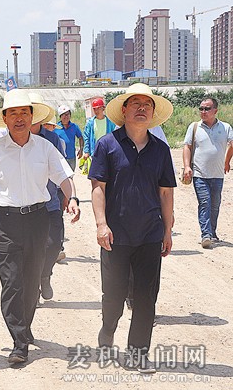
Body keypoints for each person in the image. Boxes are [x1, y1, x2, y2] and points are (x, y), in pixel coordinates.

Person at [0, 89, 80, 364]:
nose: (19, 118)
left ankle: (24, 327)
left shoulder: (44, 147)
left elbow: (64, 176)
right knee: (12, 282)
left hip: (37, 220)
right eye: (13, 114)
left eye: (24, 113)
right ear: (4, 119)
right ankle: (19, 341)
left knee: (30, 283)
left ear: (32, 117)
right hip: (4, 222)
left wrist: (72, 197)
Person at [90, 83, 176, 374]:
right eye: (135, 103)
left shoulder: (161, 150)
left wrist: (167, 230)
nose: (142, 108)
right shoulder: (107, 145)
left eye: (147, 105)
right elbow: (98, 188)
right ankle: (107, 330)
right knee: (113, 297)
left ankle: (138, 354)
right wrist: (101, 224)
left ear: (152, 113)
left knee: (145, 298)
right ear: (124, 110)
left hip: (150, 234)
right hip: (116, 236)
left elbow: (166, 193)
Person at [28, 93, 75, 301]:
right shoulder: (12, 139)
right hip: (26, 205)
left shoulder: (52, 139)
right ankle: (32, 288)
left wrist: (69, 196)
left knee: (55, 243)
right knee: (31, 248)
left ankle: (45, 274)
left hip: (51, 201)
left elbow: (62, 170)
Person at [182, 97, 233, 249]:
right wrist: (186, 166)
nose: (203, 111)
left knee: (215, 205)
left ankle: (212, 232)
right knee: (205, 203)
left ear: (215, 111)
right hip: (199, 174)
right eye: (201, 108)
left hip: (218, 174)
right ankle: (206, 234)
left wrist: (226, 161)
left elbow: (232, 144)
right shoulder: (195, 127)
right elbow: (187, 147)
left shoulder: (225, 127)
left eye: (207, 109)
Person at [54, 105, 83, 170]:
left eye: (68, 114)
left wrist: (81, 149)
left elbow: (80, 137)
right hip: (60, 158)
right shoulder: (55, 128)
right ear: (60, 116)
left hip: (71, 157)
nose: (66, 116)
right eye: (64, 115)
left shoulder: (74, 126)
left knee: (71, 176)